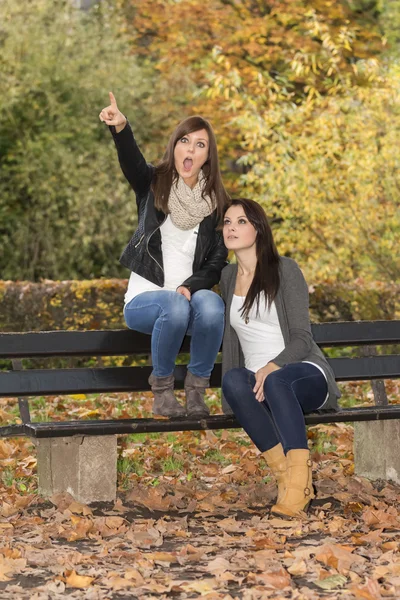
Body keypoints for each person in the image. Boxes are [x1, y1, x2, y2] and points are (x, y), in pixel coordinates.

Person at [99, 93, 230, 418]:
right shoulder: (152, 184)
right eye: (185, 140)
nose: (191, 149)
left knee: (212, 306)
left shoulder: (218, 205)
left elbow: (216, 263)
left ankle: (196, 391)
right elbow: (131, 161)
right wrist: (121, 128)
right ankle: (162, 391)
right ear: (175, 146)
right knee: (173, 304)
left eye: (200, 144)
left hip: (187, 302)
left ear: (207, 156)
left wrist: (191, 285)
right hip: (146, 302)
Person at [220, 198, 341, 518]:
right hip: (260, 382)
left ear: (258, 229)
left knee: (276, 380)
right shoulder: (227, 278)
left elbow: (303, 338)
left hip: (303, 374)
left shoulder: (284, 269)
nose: (231, 228)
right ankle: (288, 478)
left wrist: (272, 366)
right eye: (227, 222)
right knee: (232, 380)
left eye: (241, 221)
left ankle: (300, 480)